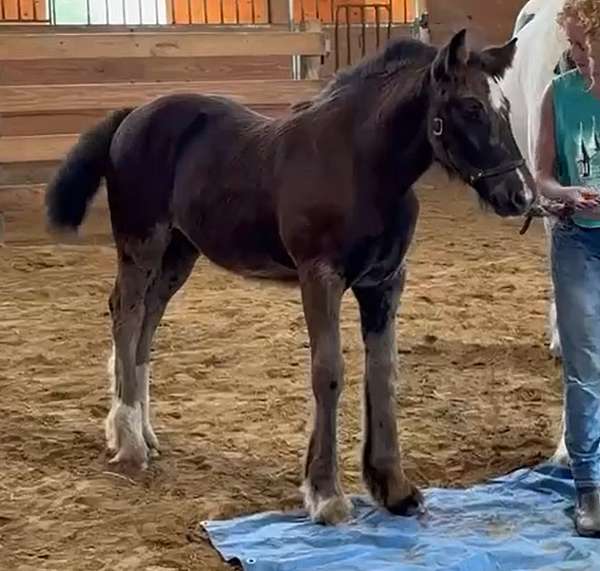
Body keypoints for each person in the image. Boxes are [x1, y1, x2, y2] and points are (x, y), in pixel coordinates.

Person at [535, 0, 600, 536]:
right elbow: (542, 174)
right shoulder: (558, 95)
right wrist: (562, 195)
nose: (583, 59)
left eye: (591, 47)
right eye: (576, 48)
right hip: (578, 241)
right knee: (584, 369)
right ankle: (589, 488)